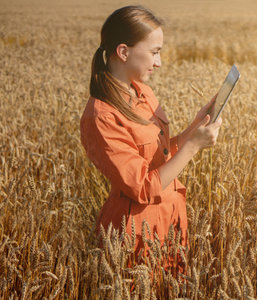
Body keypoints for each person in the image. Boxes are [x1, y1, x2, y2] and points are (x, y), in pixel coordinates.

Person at [79, 5, 222, 278]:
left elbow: (161, 156)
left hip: (169, 220)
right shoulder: (102, 116)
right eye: (154, 52)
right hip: (135, 234)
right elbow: (142, 187)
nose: (159, 63)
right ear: (123, 52)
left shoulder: (142, 92)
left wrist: (195, 126)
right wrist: (194, 146)